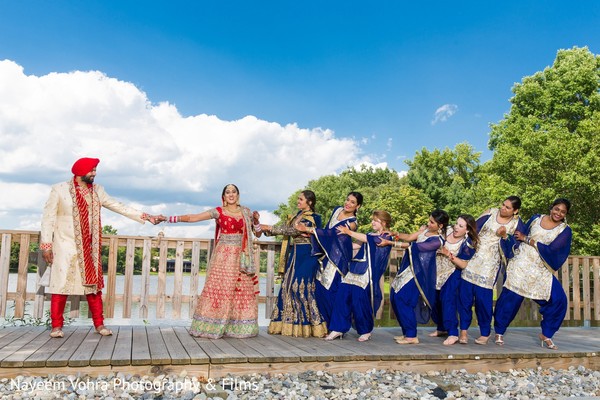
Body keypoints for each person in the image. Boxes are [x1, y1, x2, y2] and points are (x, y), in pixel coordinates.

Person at [41, 157, 161, 338]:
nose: (94, 174)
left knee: (93, 286)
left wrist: (146, 216)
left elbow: (118, 206)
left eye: (95, 170)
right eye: (92, 170)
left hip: (89, 246)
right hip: (65, 244)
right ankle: (56, 327)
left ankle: (99, 325)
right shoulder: (59, 190)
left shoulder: (97, 191)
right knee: (60, 285)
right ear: (81, 171)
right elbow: (48, 218)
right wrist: (46, 246)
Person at [163, 184, 261, 339]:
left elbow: (259, 233)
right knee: (221, 288)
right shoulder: (219, 211)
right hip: (224, 256)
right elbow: (193, 217)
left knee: (241, 290)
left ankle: (239, 328)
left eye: (233, 192)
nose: (231, 194)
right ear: (223, 196)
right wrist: (167, 218)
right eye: (227, 192)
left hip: (242, 257)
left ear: (238, 195)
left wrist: (256, 221)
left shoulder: (247, 212)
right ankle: (212, 324)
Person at [493, 198, 572, 349]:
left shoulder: (565, 230)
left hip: (540, 268)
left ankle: (546, 334)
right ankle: (499, 332)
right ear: (551, 207)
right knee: (510, 299)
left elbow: (553, 250)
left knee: (558, 300)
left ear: (565, 214)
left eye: (562, 212)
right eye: (556, 209)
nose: (558, 213)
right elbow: (519, 235)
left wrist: (530, 241)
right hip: (521, 263)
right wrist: (511, 241)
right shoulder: (536, 219)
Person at [458, 196, 525, 345]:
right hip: (473, 258)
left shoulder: (517, 224)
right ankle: (463, 331)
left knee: (483, 300)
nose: (503, 208)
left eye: (508, 207)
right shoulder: (490, 212)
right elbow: (472, 228)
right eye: (503, 204)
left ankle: (485, 332)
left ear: (515, 210)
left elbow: (515, 249)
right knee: (465, 297)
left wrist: (504, 236)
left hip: (490, 264)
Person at [261, 190, 328, 338]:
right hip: (295, 254)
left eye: (301, 199)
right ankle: (289, 324)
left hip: (308, 254)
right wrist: (265, 230)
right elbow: (287, 229)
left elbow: (292, 230)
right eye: (298, 199)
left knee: (301, 287)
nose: (298, 201)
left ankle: (311, 325)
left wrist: (270, 228)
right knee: (287, 286)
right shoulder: (297, 216)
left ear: (309, 202)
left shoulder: (314, 218)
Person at [297, 191, 363, 328]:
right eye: (347, 199)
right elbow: (327, 228)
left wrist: (310, 230)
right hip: (326, 254)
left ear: (358, 206)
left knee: (331, 289)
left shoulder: (352, 223)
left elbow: (333, 233)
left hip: (339, 259)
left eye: (352, 202)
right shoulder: (337, 210)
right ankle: (324, 325)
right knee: (320, 288)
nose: (348, 203)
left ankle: (336, 327)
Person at [327, 210, 394, 341]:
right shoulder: (369, 234)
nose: (372, 222)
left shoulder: (386, 237)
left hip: (368, 272)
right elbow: (356, 245)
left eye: (376, 220)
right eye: (372, 220)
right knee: (342, 295)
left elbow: (372, 240)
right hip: (355, 267)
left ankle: (365, 330)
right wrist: (336, 243)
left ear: (384, 222)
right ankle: (337, 328)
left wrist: (349, 232)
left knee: (360, 299)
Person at [388, 209, 449, 344]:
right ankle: (406, 332)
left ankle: (411, 335)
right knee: (394, 296)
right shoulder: (425, 231)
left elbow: (414, 246)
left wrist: (391, 243)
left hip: (419, 273)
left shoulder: (437, 241)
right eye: (429, 220)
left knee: (403, 299)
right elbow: (410, 237)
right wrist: (395, 233)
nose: (428, 223)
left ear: (440, 226)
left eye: (432, 222)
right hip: (408, 270)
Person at [430, 214, 478, 345]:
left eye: (461, 226)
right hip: (436, 270)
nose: (456, 227)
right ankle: (441, 328)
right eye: (456, 223)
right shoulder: (447, 230)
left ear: (467, 230)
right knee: (434, 299)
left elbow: (463, 264)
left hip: (452, 273)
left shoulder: (468, 243)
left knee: (447, 299)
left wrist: (448, 254)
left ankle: (452, 333)